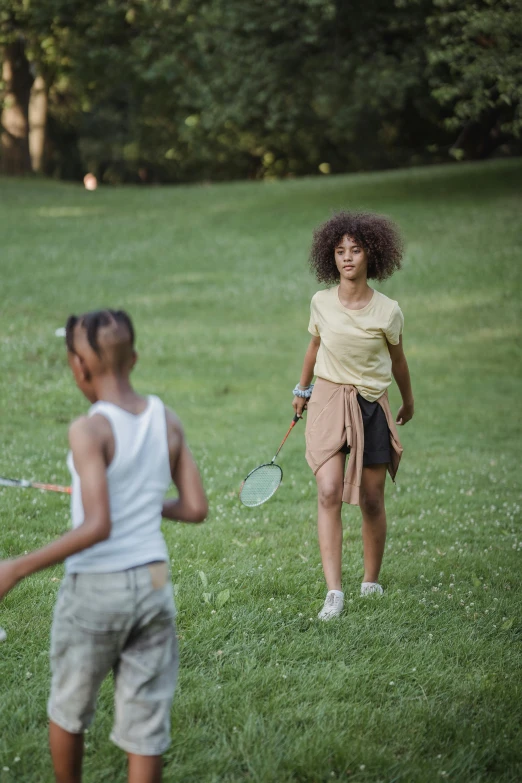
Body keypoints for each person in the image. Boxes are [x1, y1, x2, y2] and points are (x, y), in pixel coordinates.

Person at [0, 309, 208, 783]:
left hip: (98, 585)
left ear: (78, 366)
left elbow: (97, 526)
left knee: (69, 708)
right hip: (155, 582)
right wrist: (143, 503)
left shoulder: (88, 429)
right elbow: (196, 508)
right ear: (134, 358)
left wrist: (15, 567)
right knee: (145, 724)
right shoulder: (167, 420)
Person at [292, 212, 414, 620]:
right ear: (332, 257)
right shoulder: (320, 301)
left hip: (371, 405)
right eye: (340, 251)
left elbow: (399, 361)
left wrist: (408, 401)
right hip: (327, 399)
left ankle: (370, 580)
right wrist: (302, 388)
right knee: (328, 491)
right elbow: (314, 347)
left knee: (371, 499)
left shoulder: (388, 311)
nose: (347, 258)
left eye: (355, 250)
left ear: (370, 255)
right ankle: (334, 593)